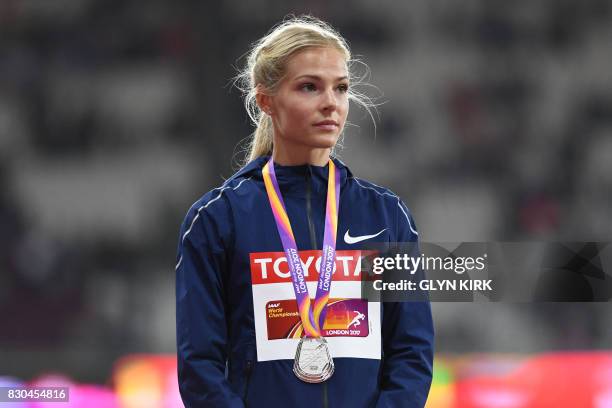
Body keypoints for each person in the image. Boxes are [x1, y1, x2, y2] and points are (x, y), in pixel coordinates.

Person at [176, 16, 433, 408]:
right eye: (309, 87)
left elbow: (411, 354)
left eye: (341, 88)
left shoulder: (386, 216)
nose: (331, 102)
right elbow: (200, 368)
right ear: (266, 100)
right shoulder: (217, 219)